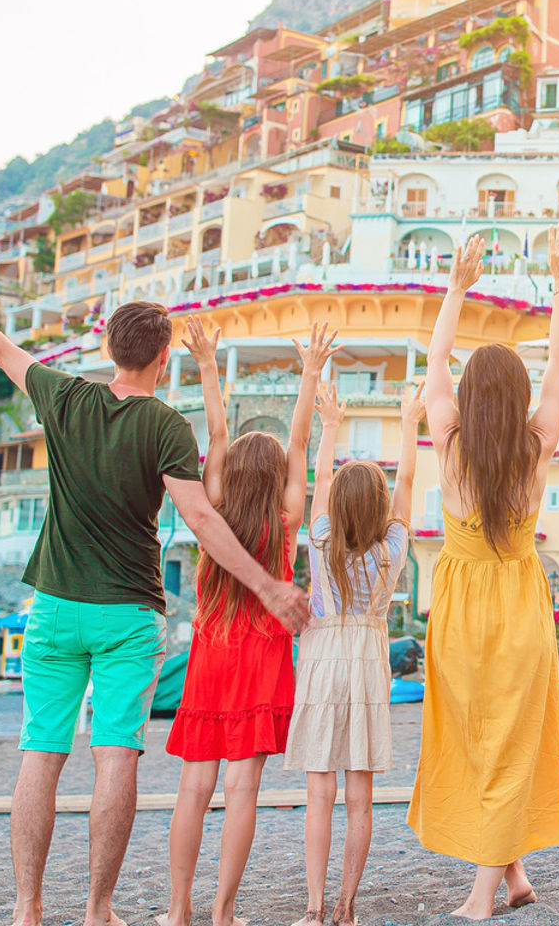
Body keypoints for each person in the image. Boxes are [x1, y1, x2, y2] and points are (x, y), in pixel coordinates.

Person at [0, 262, 305, 926]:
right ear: (164, 358)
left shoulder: (64, 396)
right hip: (128, 614)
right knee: (114, 755)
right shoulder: (166, 426)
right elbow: (201, 520)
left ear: (108, 348)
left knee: (41, 752)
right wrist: (269, 585)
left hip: (53, 607)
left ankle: (26, 906)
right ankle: (98, 909)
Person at [408, 229, 559, 920]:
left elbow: (437, 358)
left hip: (459, 612)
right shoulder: (536, 447)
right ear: (519, 396)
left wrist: (455, 286)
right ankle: (512, 877)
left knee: (484, 739)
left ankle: (483, 894)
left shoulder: (448, 443)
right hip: (520, 606)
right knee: (504, 739)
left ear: (472, 397)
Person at [159, 317, 336, 926]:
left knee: (192, 789)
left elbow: (217, 429)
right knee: (241, 792)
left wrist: (208, 363)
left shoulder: (216, 505)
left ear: (230, 474)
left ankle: (178, 908)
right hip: (261, 660)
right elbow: (301, 438)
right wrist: (310, 373)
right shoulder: (286, 518)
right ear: (280, 478)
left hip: (211, 654)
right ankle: (222, 911)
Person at [287, 377, 420, 926]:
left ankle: (315, 909)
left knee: (320, 795)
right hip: (367, 661)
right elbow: (407, 480)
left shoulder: (321, 540)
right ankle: (346, 908)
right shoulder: (392, 550)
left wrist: (331, 427)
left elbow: (319, 484)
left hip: (321, 660)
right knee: (359, 798)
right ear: (381, 507)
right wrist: (412, 422)